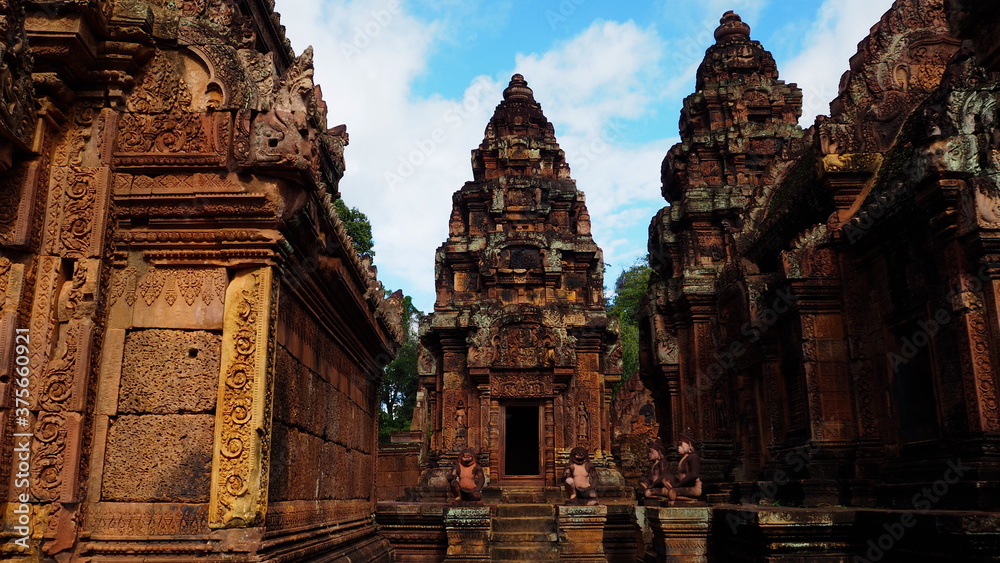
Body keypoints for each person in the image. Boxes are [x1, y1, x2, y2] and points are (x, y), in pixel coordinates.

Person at [641, 431, 702, 501]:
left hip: (692, 487)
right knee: (649, 492)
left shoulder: (693, 457)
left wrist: (679, 485)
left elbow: (694, 474)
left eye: (681, 443)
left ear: (689, 444)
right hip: (682, 485)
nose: (678, 447)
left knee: (671, 493)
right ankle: (673, 496)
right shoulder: (684, 458)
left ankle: (688, 499)